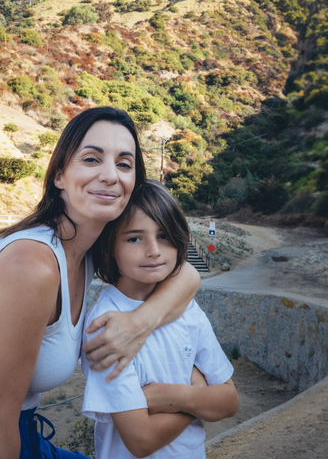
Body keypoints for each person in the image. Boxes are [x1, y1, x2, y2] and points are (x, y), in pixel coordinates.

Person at [0, 107, 200, 459]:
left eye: (124, 164)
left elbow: (186, 274)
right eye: (91, 159)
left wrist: (139, 323)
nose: (109, 175)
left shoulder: (87, 248)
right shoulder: (34, 266)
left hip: (18, 431)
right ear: (59, 175)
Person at [82, 179, 239, 459]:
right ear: (109, 248)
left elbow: (229, 401)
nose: (154, 250)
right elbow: (141, 440)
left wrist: (175, 396)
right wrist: (199, 395)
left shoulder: (186, 309)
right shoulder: (106, 327)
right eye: (134, 238)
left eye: (164, 236)